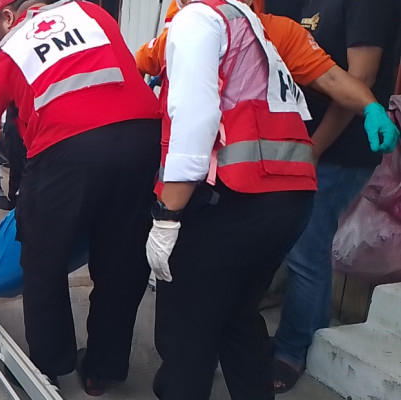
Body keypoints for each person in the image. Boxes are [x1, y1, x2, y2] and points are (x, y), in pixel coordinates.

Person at [145, 1, 398, 399]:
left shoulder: (198, 22)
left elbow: (193, 123)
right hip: (289, 202)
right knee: (238, 313)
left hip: (233, 198)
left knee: (187, 320)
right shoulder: (272, 29)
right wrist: (370, 107)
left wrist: (167, 215)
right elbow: (333, 77)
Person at [0, 0, 162, 395]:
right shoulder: (90, 11)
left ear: (7, 17)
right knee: (122, 258)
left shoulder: (7, 51)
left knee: (42, 260)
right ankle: (102, 368)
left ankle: (48, 368)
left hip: (65, 149)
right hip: (142, 139)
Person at [268, 0, 401, 392]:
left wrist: (316, 148)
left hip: (340, 150)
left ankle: (293, 350)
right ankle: (302, 336)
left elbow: (360, 79)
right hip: (307, 142)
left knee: (306, 250)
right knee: (299, 244)